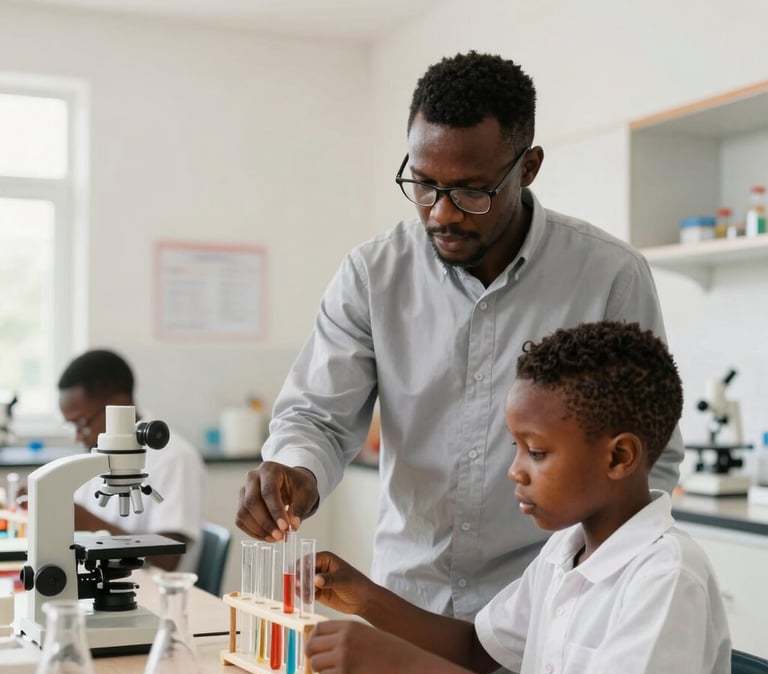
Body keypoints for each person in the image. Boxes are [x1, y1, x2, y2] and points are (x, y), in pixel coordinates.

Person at [237, 51, 685, 623]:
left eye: (472, 191)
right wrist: (294, 472)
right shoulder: (374, 273)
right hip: (408, 606)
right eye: (423, 185)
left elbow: (652, 457)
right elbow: (317, 418)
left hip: (557, 611)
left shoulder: (607, 275)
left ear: (527, 167)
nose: (441, 214)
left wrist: (586, 580)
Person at [305, 321, 732, 674]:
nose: (515, 470)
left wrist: (407, 670)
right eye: (517, 447)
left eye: (537, 452)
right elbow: (474, 648)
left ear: (619, 457)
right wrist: (364, 598)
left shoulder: (667, 577)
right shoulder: (565, 553)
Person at [58, 349, 206, 572]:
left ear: (118, 404)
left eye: (81, 423)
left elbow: (167, 560)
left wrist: (86, 521)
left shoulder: (175, 457)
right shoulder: (97, 451)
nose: (79, 436)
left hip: (157, 592)